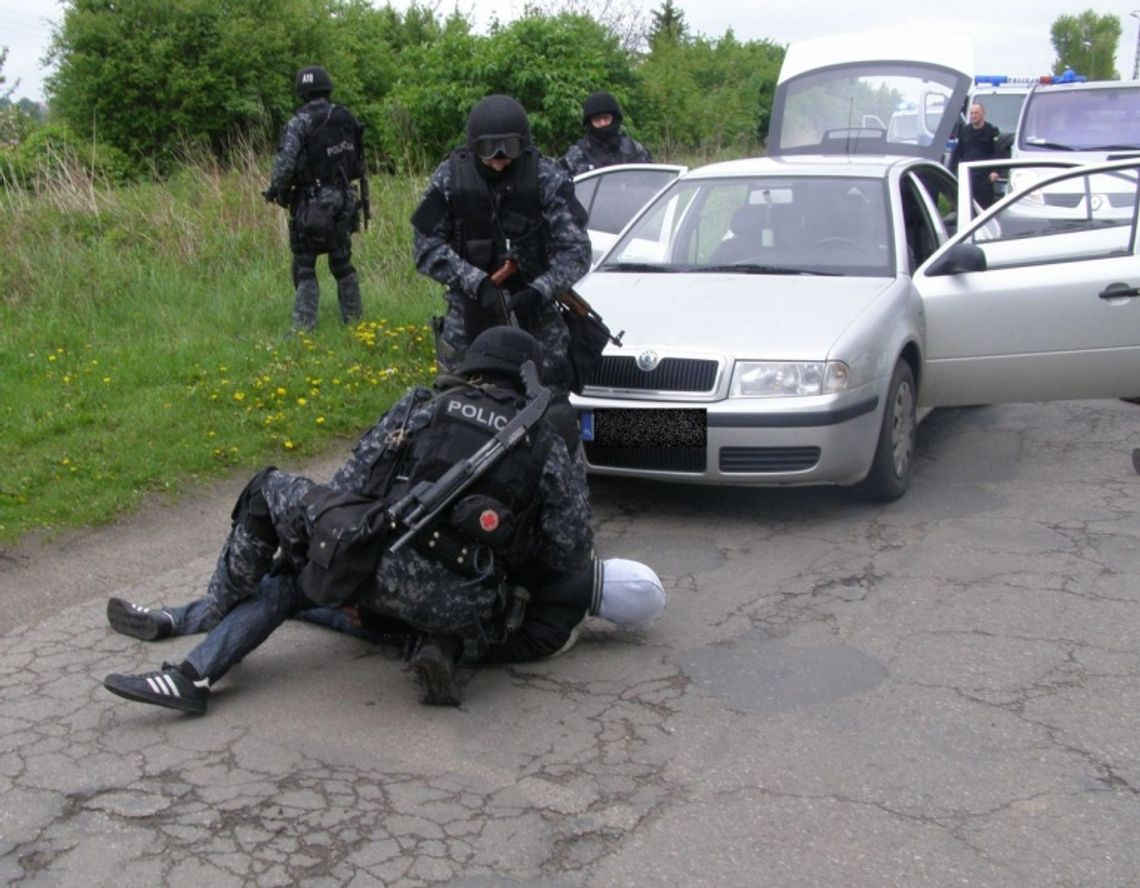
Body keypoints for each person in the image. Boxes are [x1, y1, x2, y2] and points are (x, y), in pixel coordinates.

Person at [102, 327, 665, 711]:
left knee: (280, 545)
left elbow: (352, 486)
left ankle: (195, 657)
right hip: (463, 603)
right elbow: (568, 550)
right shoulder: (547, 442)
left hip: (375, 569)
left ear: (469, 367)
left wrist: (336, 545)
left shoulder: (423, 404)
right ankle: (430, 645)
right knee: (335, 589)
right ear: (529, 380)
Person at [410, 94, 592, 397]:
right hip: (470, 312)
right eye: (488, 149)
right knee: (457, 403)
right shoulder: (450, 178)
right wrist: (477, 283)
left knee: (548, 405)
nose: (498, 159)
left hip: (535, 312)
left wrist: (540, 290)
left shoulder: (547, 178)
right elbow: (425, 248)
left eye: (508, 149)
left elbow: (577, 251)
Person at [264, 65, 367, 331]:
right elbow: (358, 161)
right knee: (342, 261)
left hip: (313, 202)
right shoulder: (345, 117)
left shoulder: (300, 122)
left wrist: (277, 190)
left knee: (305, 264)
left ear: (303, 93)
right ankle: (356, 324)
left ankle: (303, 329)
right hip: (345, 198)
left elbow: (285, 165)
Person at [558, 91, 653, 176]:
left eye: (606, 118)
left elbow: (653, 182)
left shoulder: (634, 150)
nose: (602, 123)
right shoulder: (577, 155)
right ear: (590, 123)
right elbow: (562, 190)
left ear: (614, 118)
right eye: (597, 119)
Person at [948, 102, 1002, 209]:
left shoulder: (991, 131)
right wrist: (951, 171)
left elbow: (998, 152)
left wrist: (996, 171)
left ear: (983, 114)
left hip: (984, 177)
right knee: (965, 207)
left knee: (983, 208)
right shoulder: (965, 131)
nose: (973, 116)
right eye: (971, 113)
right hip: (968, 175)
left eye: (976, 113)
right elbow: (957, 153)